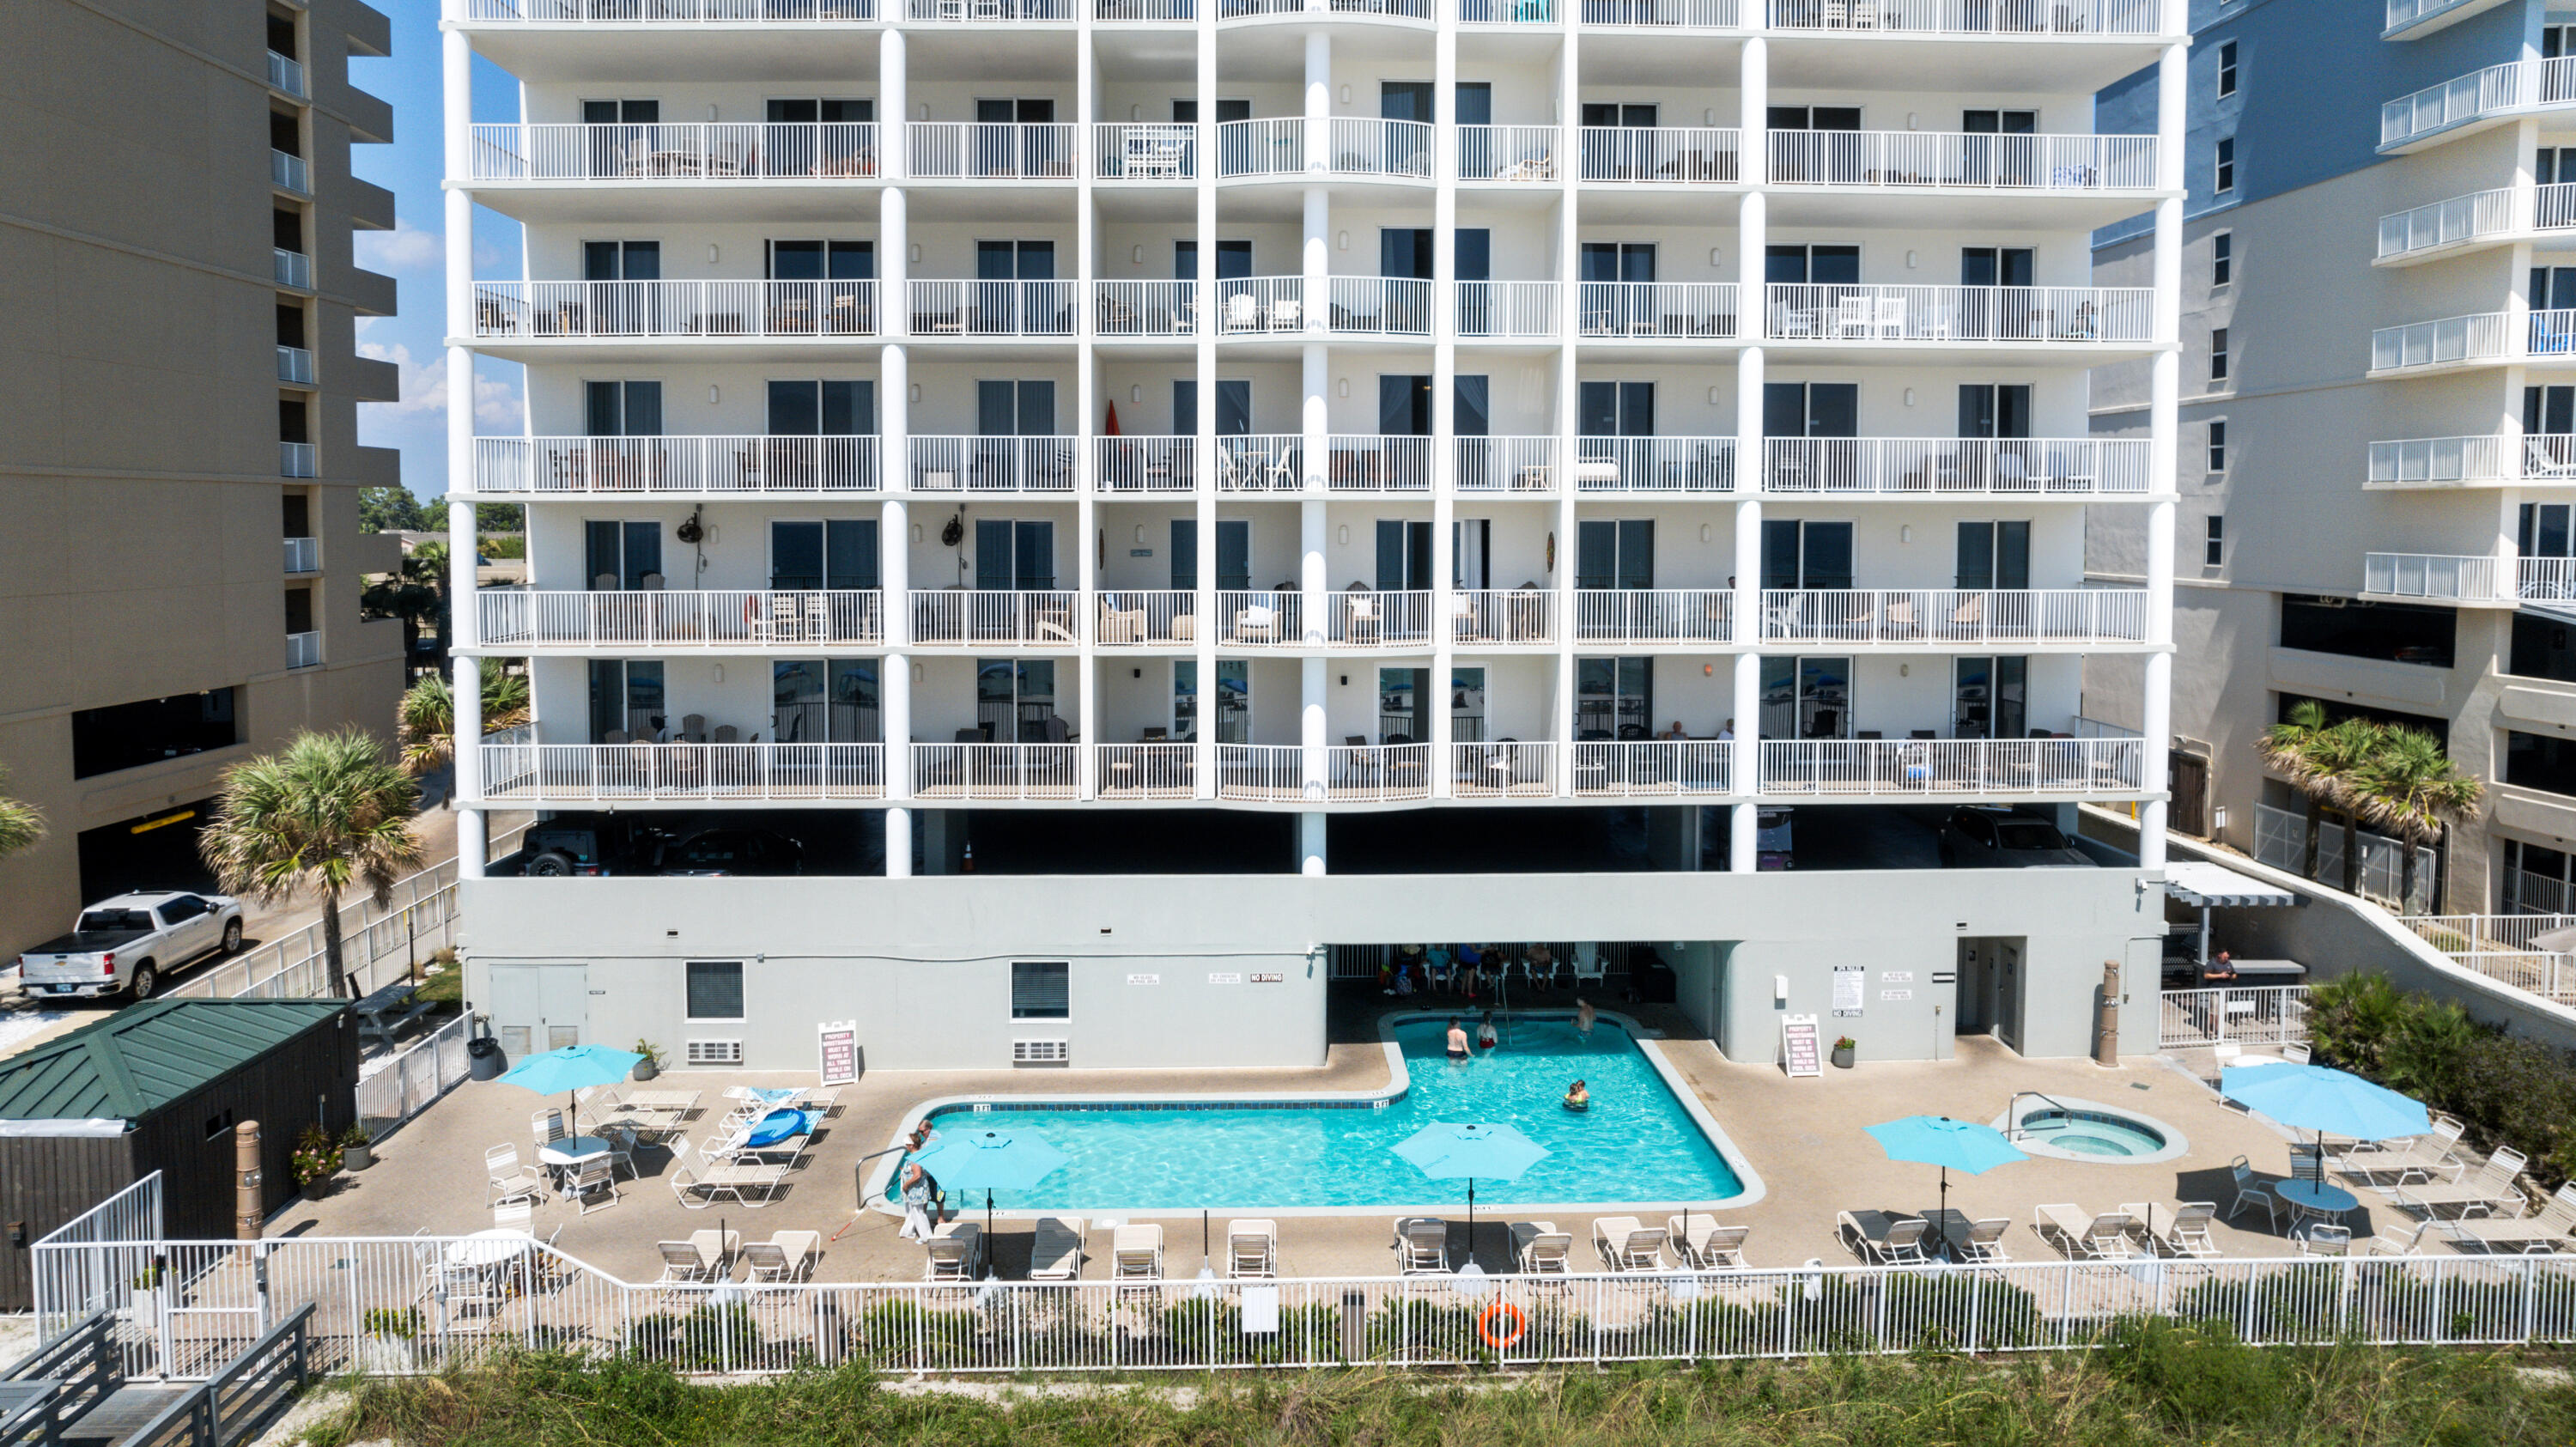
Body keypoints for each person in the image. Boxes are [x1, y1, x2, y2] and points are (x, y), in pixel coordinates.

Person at [898, 1163, 938, 1242]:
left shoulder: (915, 1159)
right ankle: (908, 1231)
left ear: (912, 1148)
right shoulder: (912, 1158)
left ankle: (926, 1237)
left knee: (919, 1213)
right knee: (913, 1212)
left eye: (908, 1148)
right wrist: (903, 1173)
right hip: (913, 1191)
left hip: (917, 1191)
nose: (907, 1149)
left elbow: (917, 1175)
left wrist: (906, 1184)